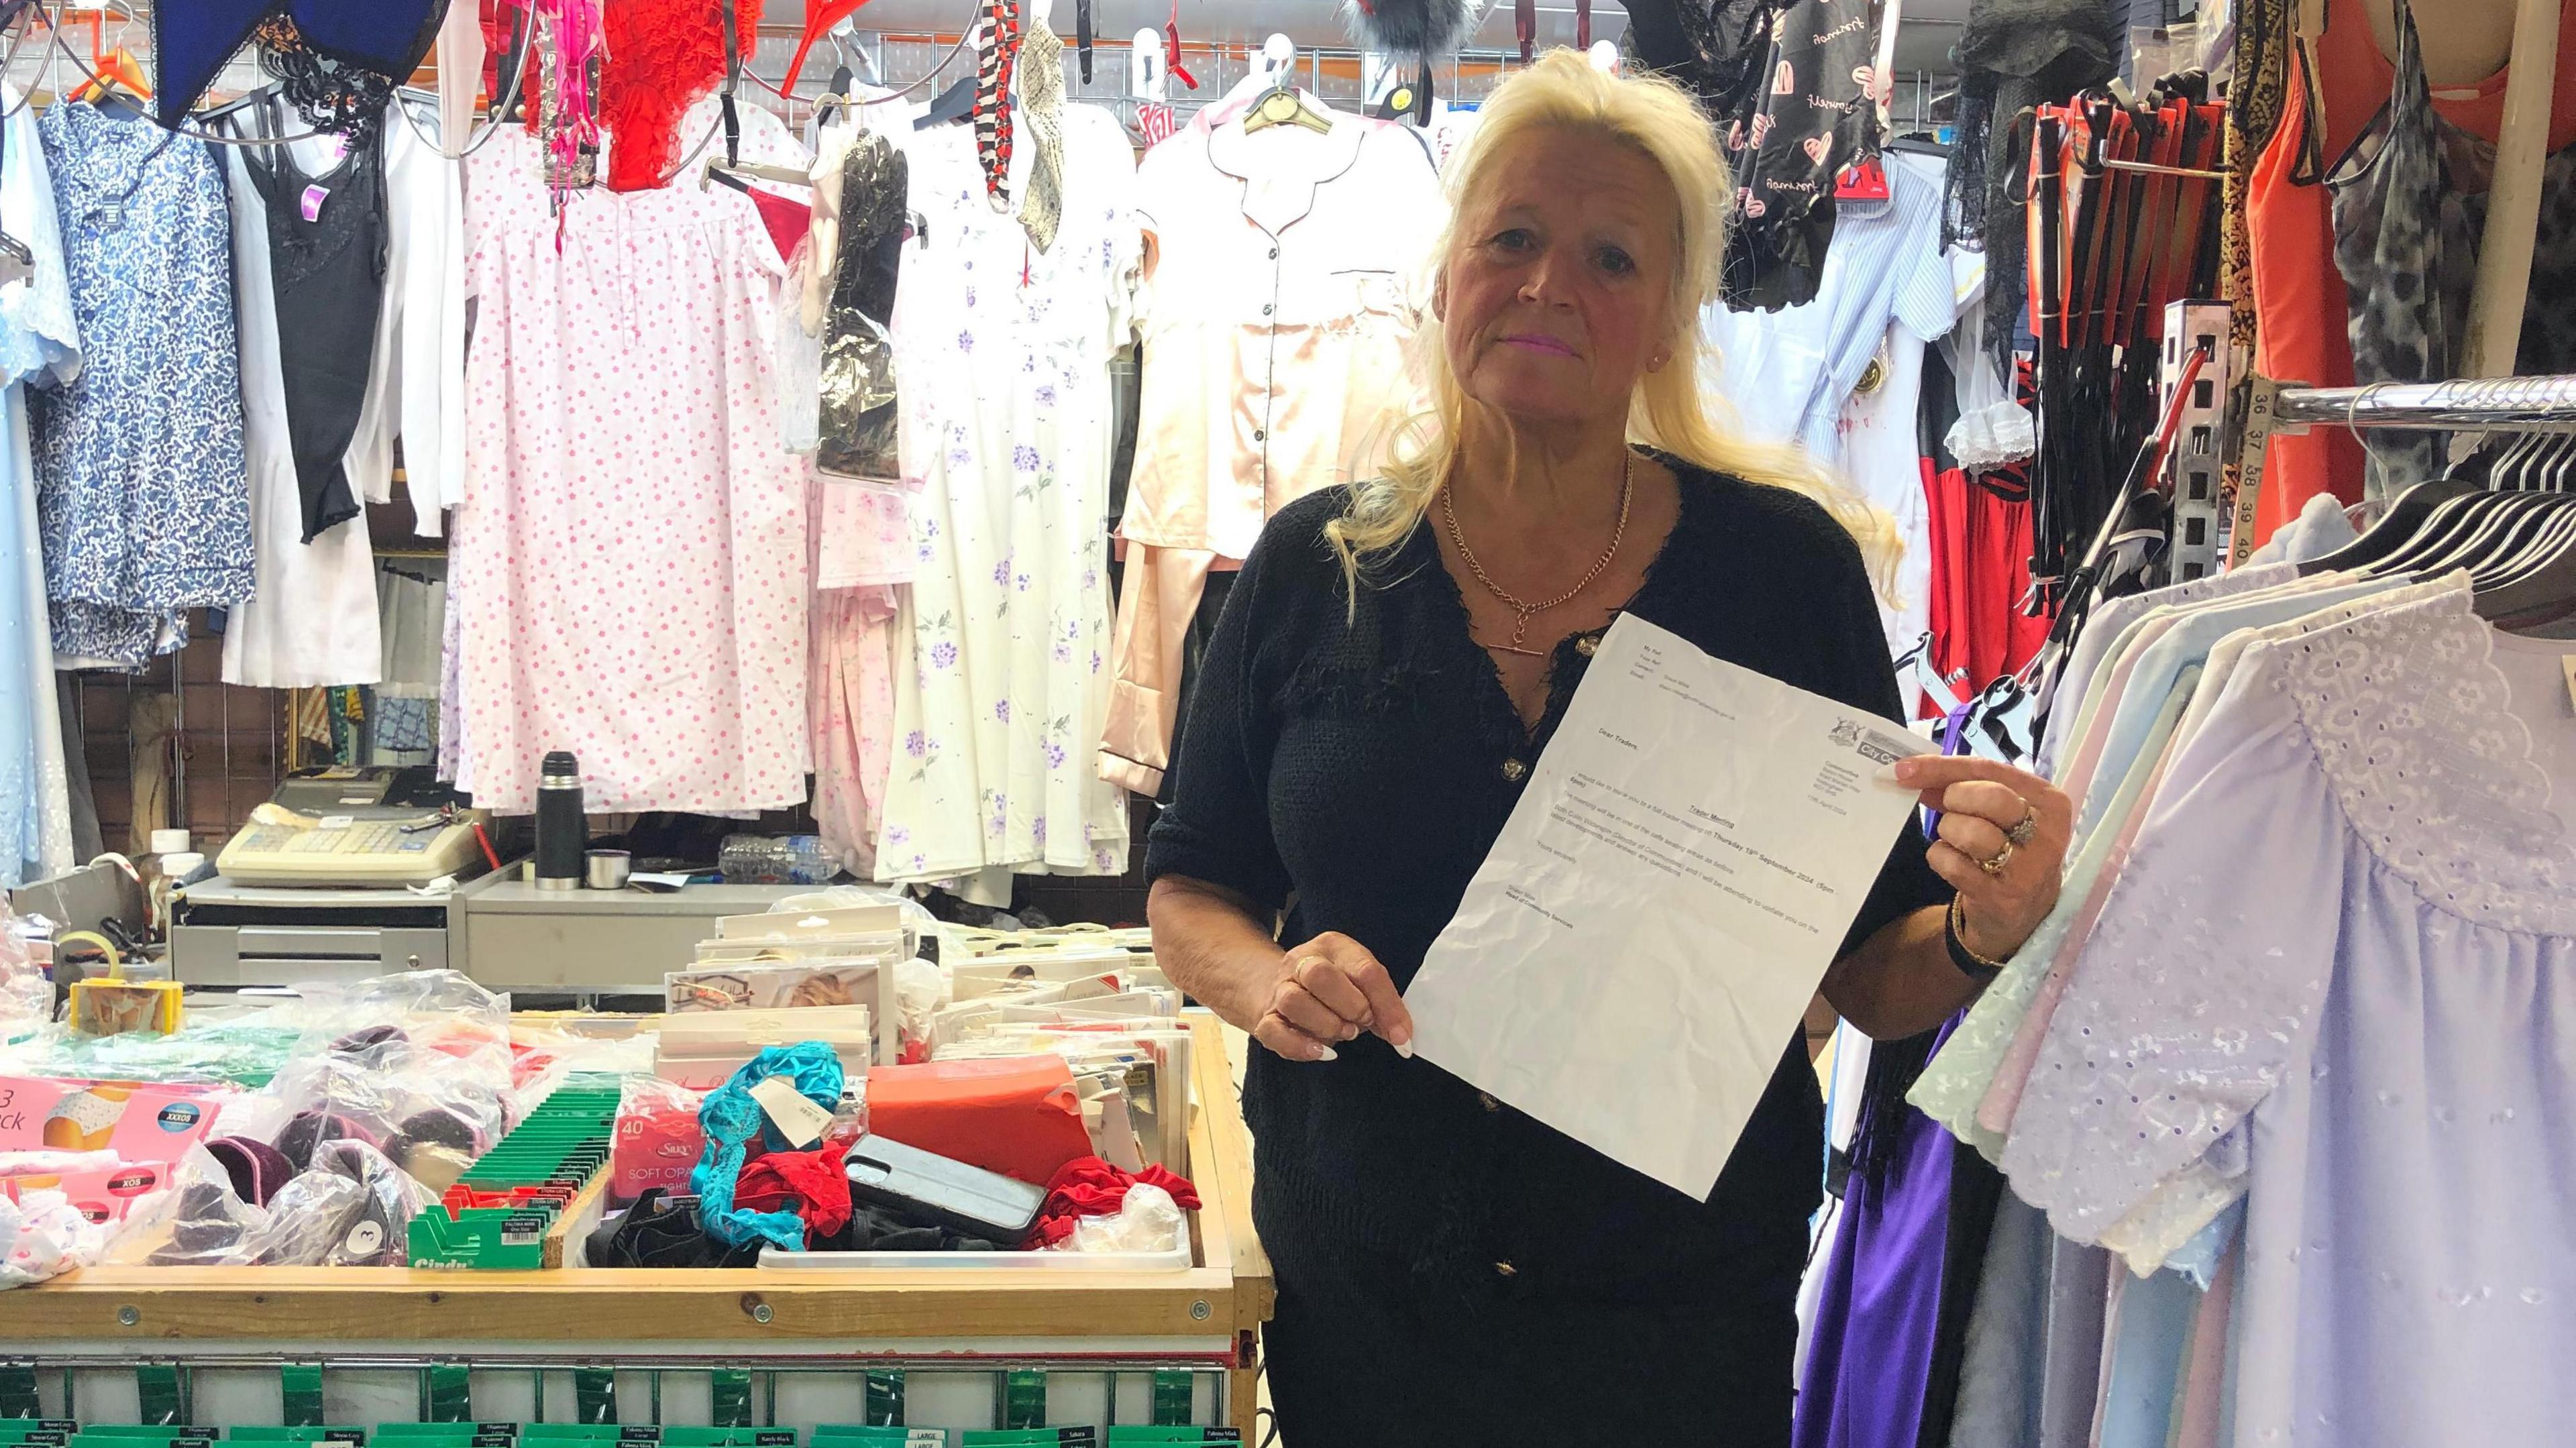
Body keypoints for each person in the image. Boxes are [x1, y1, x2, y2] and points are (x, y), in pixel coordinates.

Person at [1144, 48, 2074, 1444]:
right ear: (1447, 275)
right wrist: (1267, 979)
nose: (1546, 285)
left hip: (1679, 1328)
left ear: (1665, 324)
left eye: (1611, 257)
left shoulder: (1777, 575)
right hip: (1367, 1316)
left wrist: (1983, 933)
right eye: (1511, 237)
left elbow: (1871, 973)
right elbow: (1188, 884)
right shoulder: (1311, 566)